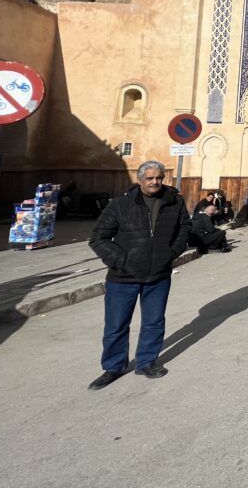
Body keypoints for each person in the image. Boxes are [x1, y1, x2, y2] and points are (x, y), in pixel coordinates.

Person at [87, 160, 191, 390]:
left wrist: (171, 252)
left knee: (154, 322)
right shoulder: (121, 204)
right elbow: (98, 237)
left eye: (159, 178)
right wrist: (120, 260)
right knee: (116, 325)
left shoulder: (173, 201)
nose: (155, 182)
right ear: (140, 179)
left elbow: (184, 228)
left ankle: (147, 361)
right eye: (150, 178)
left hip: (159, 274)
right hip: (122, 277)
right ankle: (113, 367)